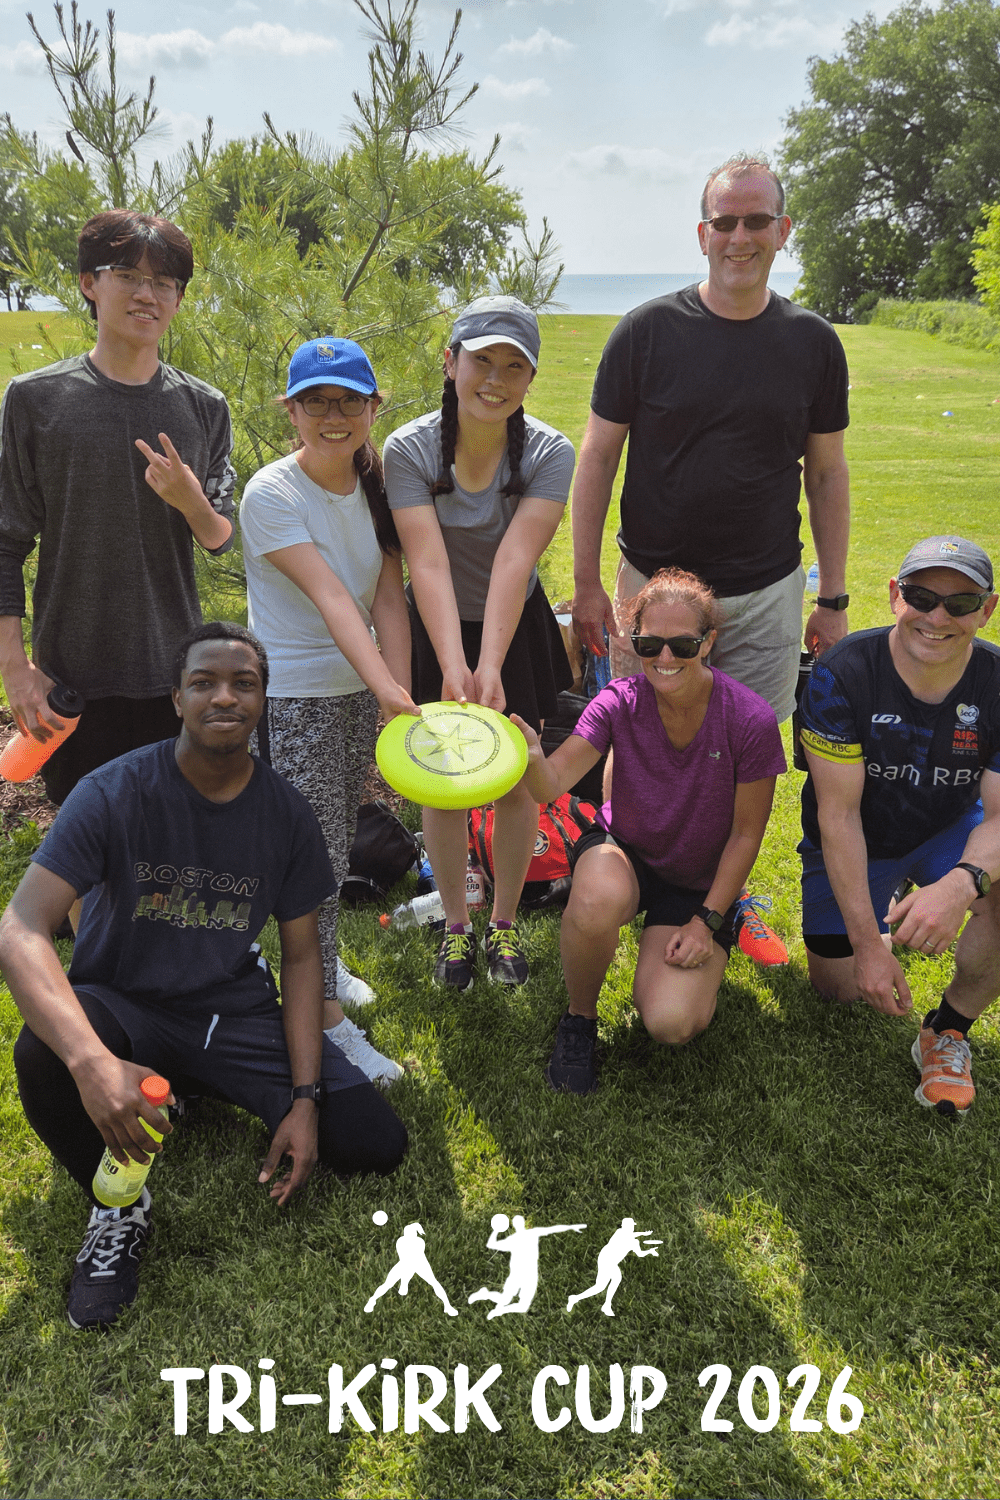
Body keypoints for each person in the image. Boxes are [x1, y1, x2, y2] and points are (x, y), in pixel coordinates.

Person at [0, 622, 408, 1332]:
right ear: (176, 699)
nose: (225, 696)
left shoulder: (285, 814)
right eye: (204, 682)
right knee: (44, 1053)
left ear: (262, 700)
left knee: (374, 1142)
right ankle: (119, 1208)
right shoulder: (114, 791)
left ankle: (190, 1089)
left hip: (231, 1015)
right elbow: (21, 927)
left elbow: (304, 956)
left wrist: (305, 1099)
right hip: (125, 1009)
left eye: (243, 683)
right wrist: (94, 1063)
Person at [569, 152, 850, 966]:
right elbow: (597, 460)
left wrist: (831, 597)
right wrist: (588, 584)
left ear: (782, 232)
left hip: (765, 589)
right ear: (701, 233)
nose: (739, 236)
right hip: (650, 588)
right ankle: (622, 875)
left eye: (756, 220)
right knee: (636, 739)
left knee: (745, 753)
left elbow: (826, 471)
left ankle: (728, 898)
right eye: (724, 221)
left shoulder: (811, 342)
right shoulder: (646, 331)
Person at [512, 568, 786, 1095]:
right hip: (626, 850)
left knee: (671, 1023)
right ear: (633, 641)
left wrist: (707, 922)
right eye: (649, 643)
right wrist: (528, 752)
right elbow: (550, 786)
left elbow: (746, 836)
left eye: (682, 644)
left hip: (695, 884)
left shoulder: (748, 719)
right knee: (593, 901)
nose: (664, 658)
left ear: (708, 642)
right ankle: (579, 1020)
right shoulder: (618, 700)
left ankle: (708, 933)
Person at [0, 210, 236, 814]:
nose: (147, 294)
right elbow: (5, 542)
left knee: (163, 847)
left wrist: (189, 500)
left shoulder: (203, 406)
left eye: (165, 283)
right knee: (84, 854)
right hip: (70, 679)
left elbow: (219, 536)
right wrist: (17, 670)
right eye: (127, 275)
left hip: (175, 677)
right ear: (88, 283)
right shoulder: (36, 400)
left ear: (178, 299)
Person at [240, 337, 420, 1086]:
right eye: (316, 400)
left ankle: (321, 965)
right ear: (292, 410)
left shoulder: (374, 485)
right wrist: (387, 691)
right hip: (294, 697)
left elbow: (386, 596)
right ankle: (325, 1023)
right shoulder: (272, 494)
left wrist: (397, 702)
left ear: (375, 408)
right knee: (308, 865)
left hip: (354, 693)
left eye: (350, 399)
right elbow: (333, 600)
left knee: (335, 846)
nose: (334, 415)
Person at [383, 295, 575, 989]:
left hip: (513, 628)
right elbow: (425, 562)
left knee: (518, 775)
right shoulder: (407, 448)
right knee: (444, 782)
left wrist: (489, 663)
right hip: (437, 626)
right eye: (481, 360)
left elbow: (513, 562)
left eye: (513, 366)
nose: (495, 378)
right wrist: (453, 664)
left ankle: (504, 920)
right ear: (451, 362)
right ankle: (458, 930)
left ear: (530, 378)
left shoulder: (551, 452)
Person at [798, 535, 1000, 1117]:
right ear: (894, 597)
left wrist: (962, 882)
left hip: (950, 830)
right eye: (921, 597)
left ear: (987, 610)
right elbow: (837, 818)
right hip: (861, 835)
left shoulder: (996, 682)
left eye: (960, 604)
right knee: (839, 989)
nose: (937, 617)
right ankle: (888, 910)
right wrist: (866, 947)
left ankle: (948, 1030)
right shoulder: (841, 673)